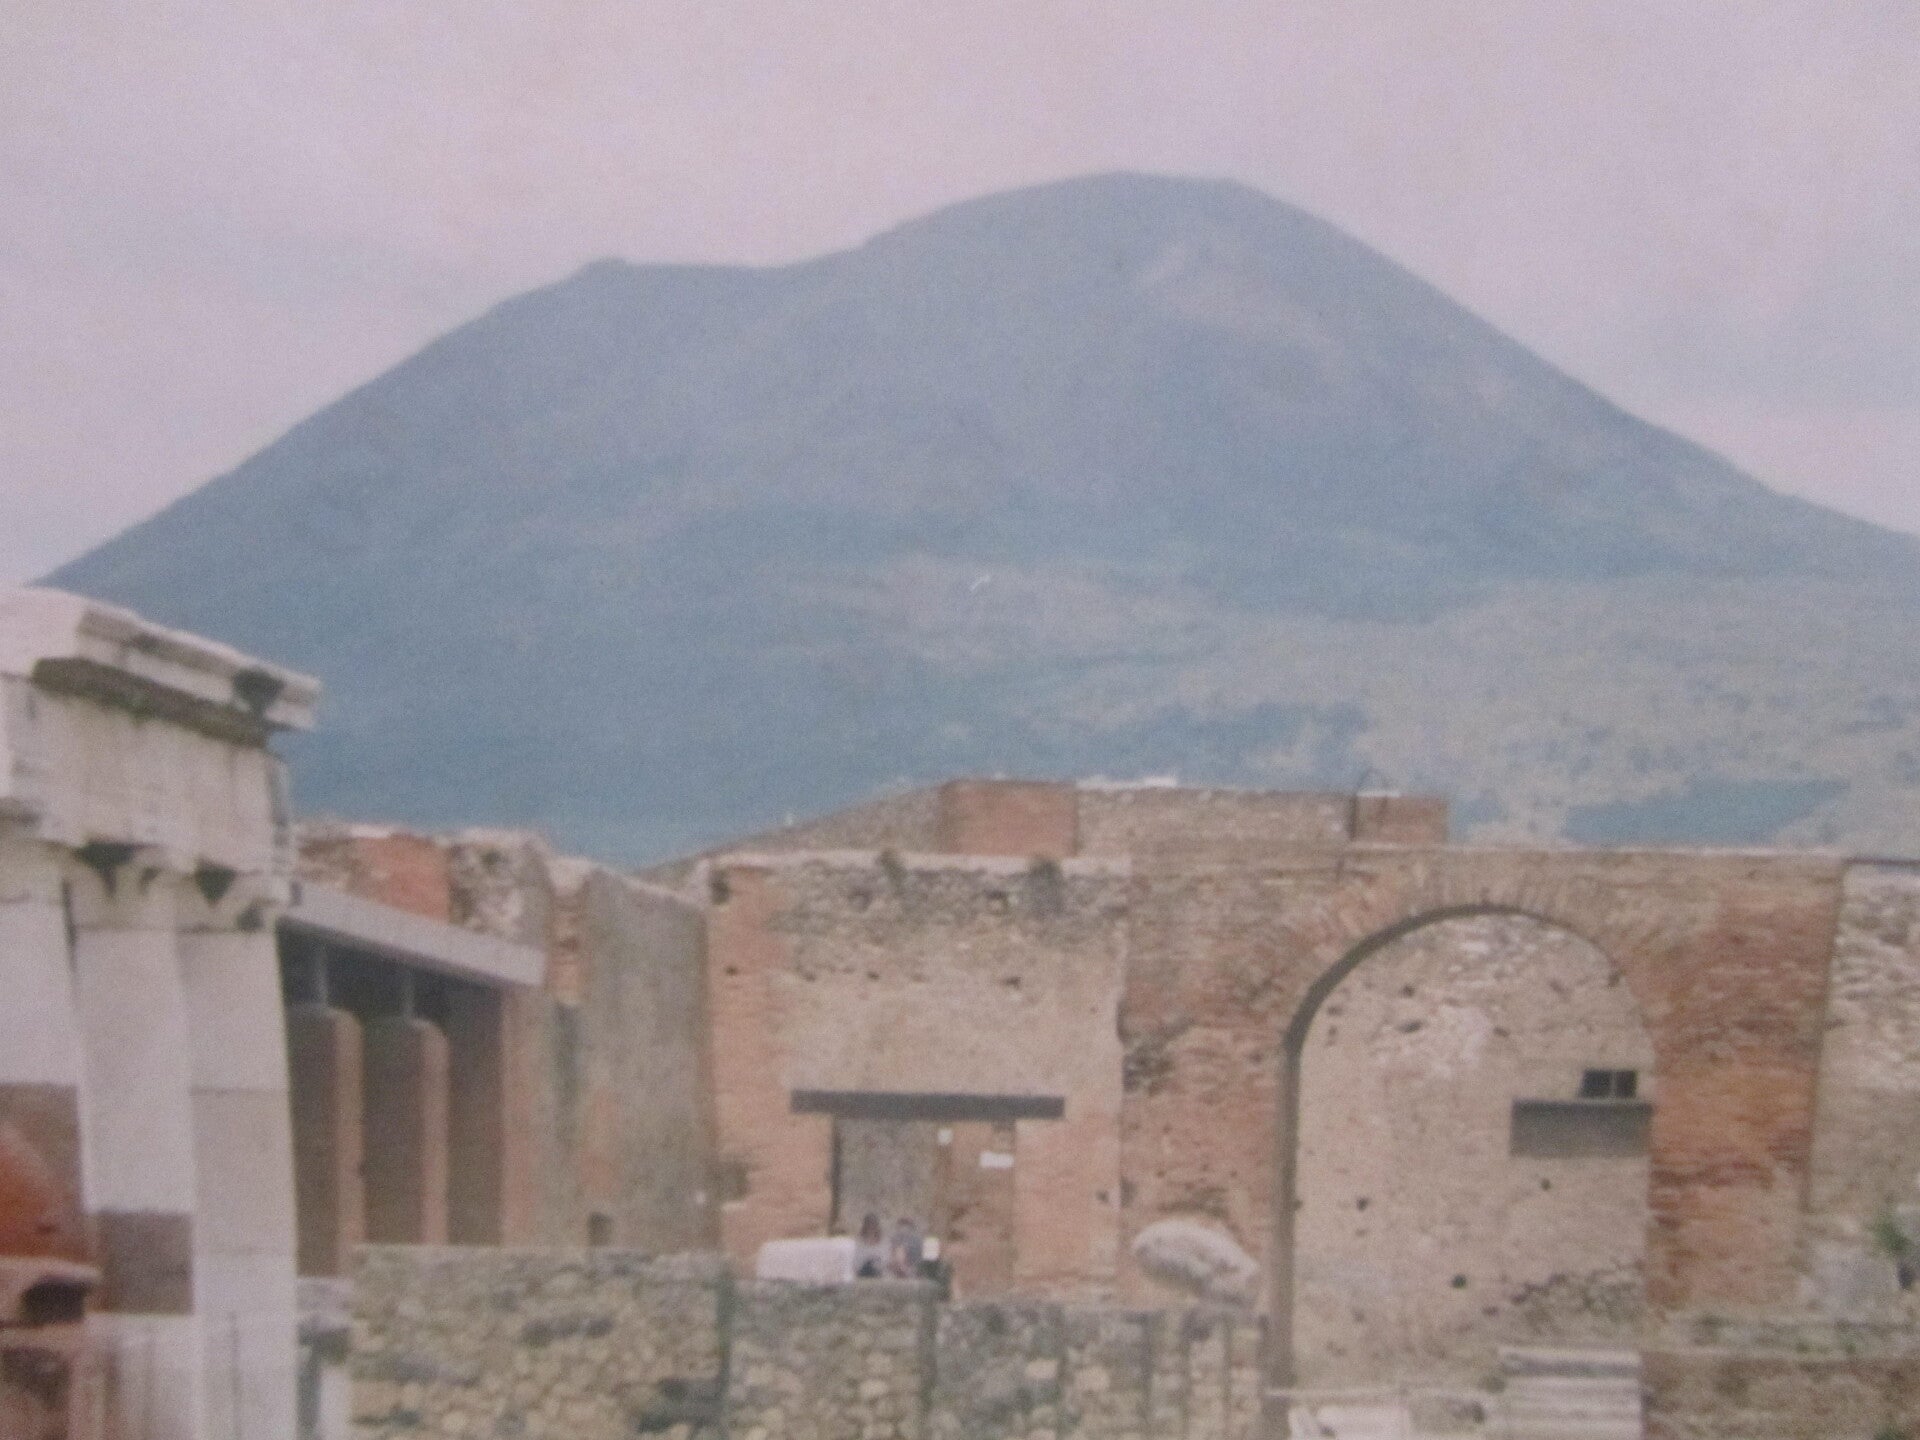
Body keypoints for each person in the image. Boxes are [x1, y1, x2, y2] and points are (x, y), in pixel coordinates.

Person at [853, 1213, 886, 1279]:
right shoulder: (858, 1243)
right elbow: (856, 1262)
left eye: (873, 1225)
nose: (871, 1228)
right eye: (869, 1225)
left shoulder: (884, 1243)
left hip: (879, 1276)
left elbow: (885, 1261)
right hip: (862, 1276)